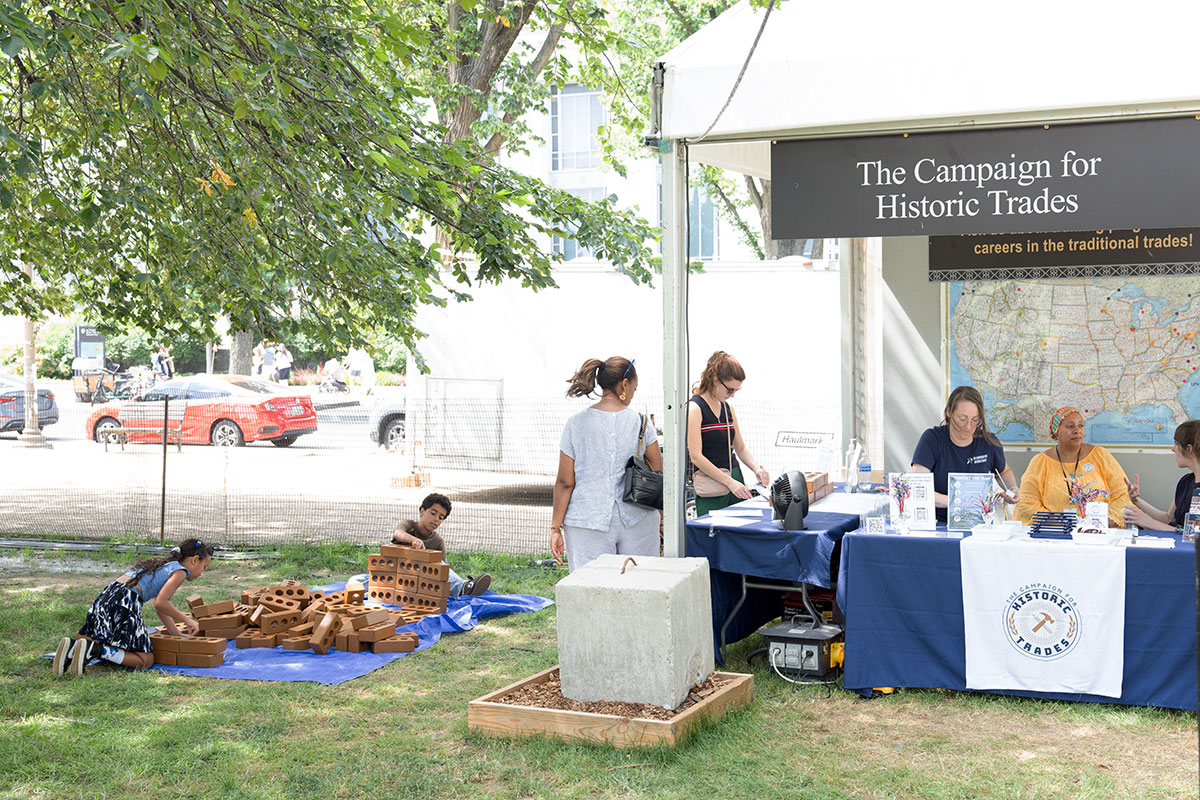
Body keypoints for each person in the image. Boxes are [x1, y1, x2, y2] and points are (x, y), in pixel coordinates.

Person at [550, 356, 663, 571]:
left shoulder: (575, 424)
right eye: (634, 388)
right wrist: (663, 521)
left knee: (590, 591)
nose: (632, 394)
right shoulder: (642, 423)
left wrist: (555, 527)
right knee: (640, 588)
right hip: (639, 519)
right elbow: (658, 474)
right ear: (625, 384)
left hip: (586, 522)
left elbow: (565, 482)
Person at [53, 538, 214, 676]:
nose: (202, 572)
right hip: (125, 601)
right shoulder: (180, 572)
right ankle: (96, 650)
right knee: (145, 660)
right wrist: (187, 620)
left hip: (108, 594)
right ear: (194, 559)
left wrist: (176, 634)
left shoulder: (164, 563)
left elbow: (161, 609)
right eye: (204, 566)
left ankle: (73, 647)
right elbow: (161, 602)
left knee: (99, 639)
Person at [910, 385, 1018, 521]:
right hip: (937, 522)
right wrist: (959, 501)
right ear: (949, 412)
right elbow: (918, 487)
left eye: (974, 420)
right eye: (962, 419)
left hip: (978, 523)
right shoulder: (932, 439)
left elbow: (1003, 472)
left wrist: (1012, 489)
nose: (968, 426)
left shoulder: (988, 443)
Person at [1013, 406, 1134, 525]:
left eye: (1080, 425)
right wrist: (1062, 524)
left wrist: (1104, 523)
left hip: (1098, 532)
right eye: (1070, 426)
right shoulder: (1040, 462)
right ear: (1057, 431)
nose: (1077, 430)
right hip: (1055, 534)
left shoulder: (1099, 455)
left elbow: (1123, 495)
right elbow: (1027, 504)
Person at [351, 493, 490, 596]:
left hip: (418, 583)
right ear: (422, 511)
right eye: (433, 513)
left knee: (441, 566)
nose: (436, 519)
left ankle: (464, 588)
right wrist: (414, 540)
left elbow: (444, 570)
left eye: (440, 517)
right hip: (393, 575)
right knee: (355, 581)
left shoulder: (437, 541)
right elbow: (398, 533)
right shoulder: (409, 525)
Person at [687, 351, 770, 517]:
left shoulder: (727, 408)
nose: (732, 395)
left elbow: (740, 447)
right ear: (716, 380)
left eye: (736, 390)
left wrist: (756, 468)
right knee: (712, 536)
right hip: (711, 484)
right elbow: (696, 457)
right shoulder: (694, 409)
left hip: (735, 480)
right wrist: (729, 483)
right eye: (730, 390)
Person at [1122, 420, 1200, 532]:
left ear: (1189, 449)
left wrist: (1149, 522)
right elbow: (1168, 518)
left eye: (1177, 443)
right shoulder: (1186, 482)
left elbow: (1193, 533)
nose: (1173, 449)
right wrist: (1136, 500)